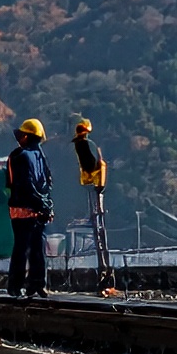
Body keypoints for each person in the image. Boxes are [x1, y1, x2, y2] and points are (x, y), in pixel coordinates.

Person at [5, 119, 53, 297]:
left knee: (24, 248)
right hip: (33, 209)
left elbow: (26, 184)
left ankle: (17, 286)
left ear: (26, 137)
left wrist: (42, 205)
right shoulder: (39, 156)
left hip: (24, 209)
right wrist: (46, 205)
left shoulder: (19, 156)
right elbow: (44, 184)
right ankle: (36, 284)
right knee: (35, 248)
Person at [72, 117, 113, 291]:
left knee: (98, 226)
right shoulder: (86, 145)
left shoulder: (82, 145)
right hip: (93, 183)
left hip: (93, 184)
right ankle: (103, 270)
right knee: (98, 227)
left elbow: (91, 163)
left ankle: (104, 271)